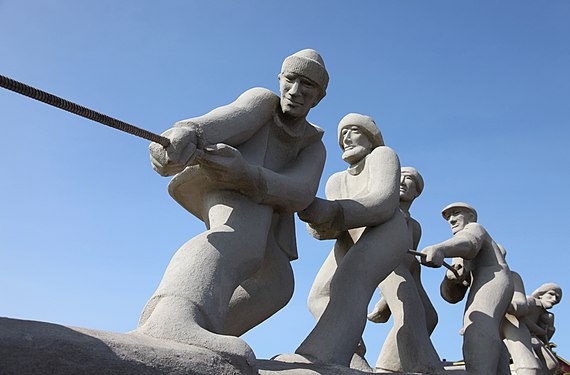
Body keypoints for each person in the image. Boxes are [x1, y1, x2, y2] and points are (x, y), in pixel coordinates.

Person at [137, 49, 329, 363]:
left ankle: (203, 329)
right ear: (280, 80)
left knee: (276, 283)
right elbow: (225, 119)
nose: (296, 91)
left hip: (259, 195)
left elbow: (300, 192)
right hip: (223, 181)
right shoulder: (263, 102)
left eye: (307, 86)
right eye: (291, 79)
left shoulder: (313, 145)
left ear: (318, 98)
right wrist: (184, 134)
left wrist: (248, 175)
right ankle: (171, 316)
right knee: (239, 237)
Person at [293, 113, 409, 367]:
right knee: (318, 296)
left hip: (387, 229)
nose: (346, 138)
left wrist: (333, 212)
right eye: (342, 134)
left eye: (353, 130)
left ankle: (322, 353)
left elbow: (383, 202)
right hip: (351, 238)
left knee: (350, 278)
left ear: (370, 137)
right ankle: (353, 354)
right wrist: (317, 224)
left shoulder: (383, 156)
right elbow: (335, 228)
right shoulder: (337, 180)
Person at [421, 202, 514, 375]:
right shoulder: (457, 251)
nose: (452, 220)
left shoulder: (474, 228)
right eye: (448, 217)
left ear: (471, 216)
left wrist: (439, 248)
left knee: (477, 327)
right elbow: (452, 297)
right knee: (488, 331)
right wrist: (452, 280)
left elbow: (469, 243)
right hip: (482, 283)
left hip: (494, 279)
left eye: (456, 213)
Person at [368, 167, 443, 374]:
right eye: (398, 177)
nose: (401, 181)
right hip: (386, 264)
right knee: (410, 311)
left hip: (407, 270)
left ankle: (395, 363)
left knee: (429, 316)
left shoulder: (415, 226)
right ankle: (386, 368)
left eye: (408, 179)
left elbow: (410, 259)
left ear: (417, 192)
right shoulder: (385, 211)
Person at [502, 269, 542, 375]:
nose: (553, 299)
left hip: (512, 324)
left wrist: (511, 306)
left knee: (532, 367)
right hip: (489, 324)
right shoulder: (533, 302)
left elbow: (521, 307)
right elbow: (453, 297)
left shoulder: (512, 276)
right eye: (551, 295)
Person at [525, 283, 563, 375]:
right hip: (520, 336)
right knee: (532, 365)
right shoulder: (530, 301)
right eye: (551, 294)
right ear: (541, 294)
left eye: (557, 298)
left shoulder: (545, 314)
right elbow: (519, 318)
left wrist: (549, 326)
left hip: (535, 340)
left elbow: (545, 339)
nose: (554, 299)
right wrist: (540, 330)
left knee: (552, 364)